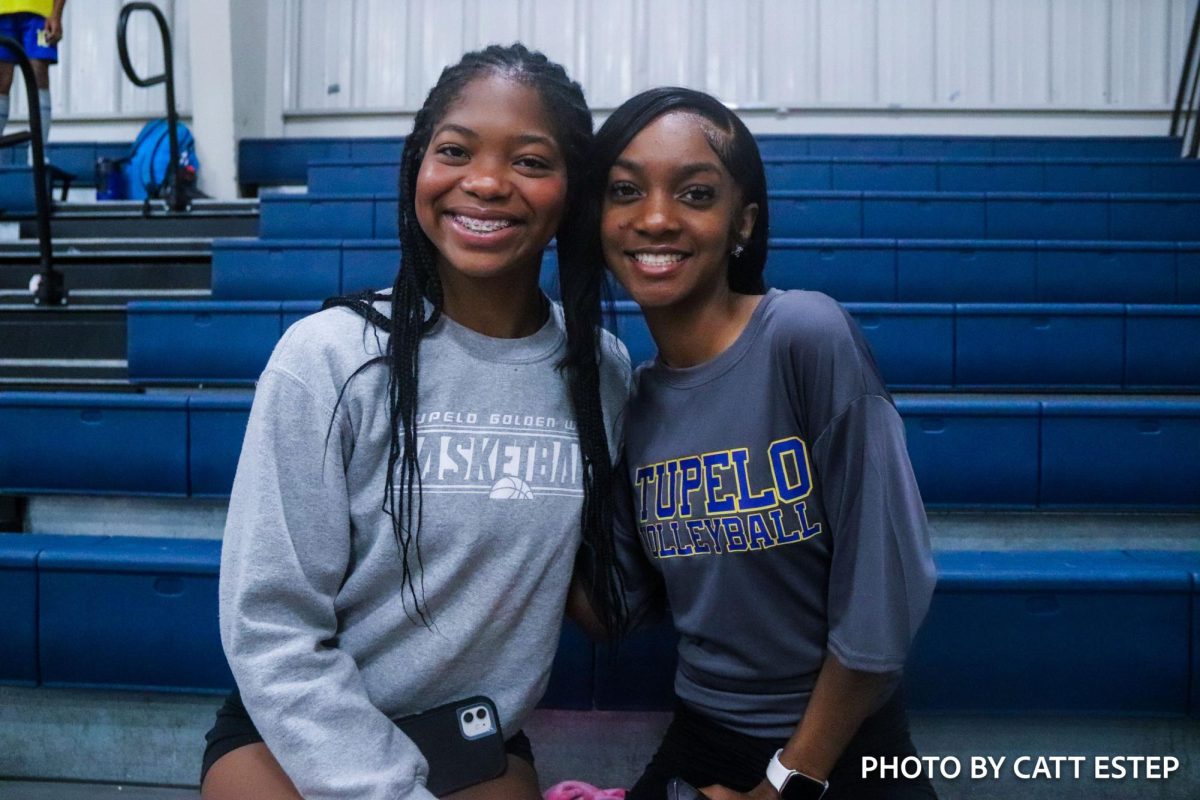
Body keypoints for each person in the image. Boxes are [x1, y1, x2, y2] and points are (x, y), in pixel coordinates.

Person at [201, 44, 630, 800]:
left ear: (573, 192)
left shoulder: (602, 371)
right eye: (456, 151)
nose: (487, 182)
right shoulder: (328, 356)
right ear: (418, 169)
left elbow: (604, 589)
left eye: (529, 162)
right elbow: (271, 626)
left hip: (469, 731)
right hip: (301, 727)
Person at [585, 87, 939, 800]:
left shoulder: (806, 338)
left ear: (742, 223)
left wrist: (785, 784)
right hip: (703, 734)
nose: (655, 218)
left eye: (694, 193)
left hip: (840, 745)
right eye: (625, 191)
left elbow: (885, 600)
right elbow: (612, 608)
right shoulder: (635, 397)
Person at [0, 0, 64, 143]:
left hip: (39, 11)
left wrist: (56, 14)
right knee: (1, 80)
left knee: (38, 74)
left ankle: (38, 155)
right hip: (2, 11)